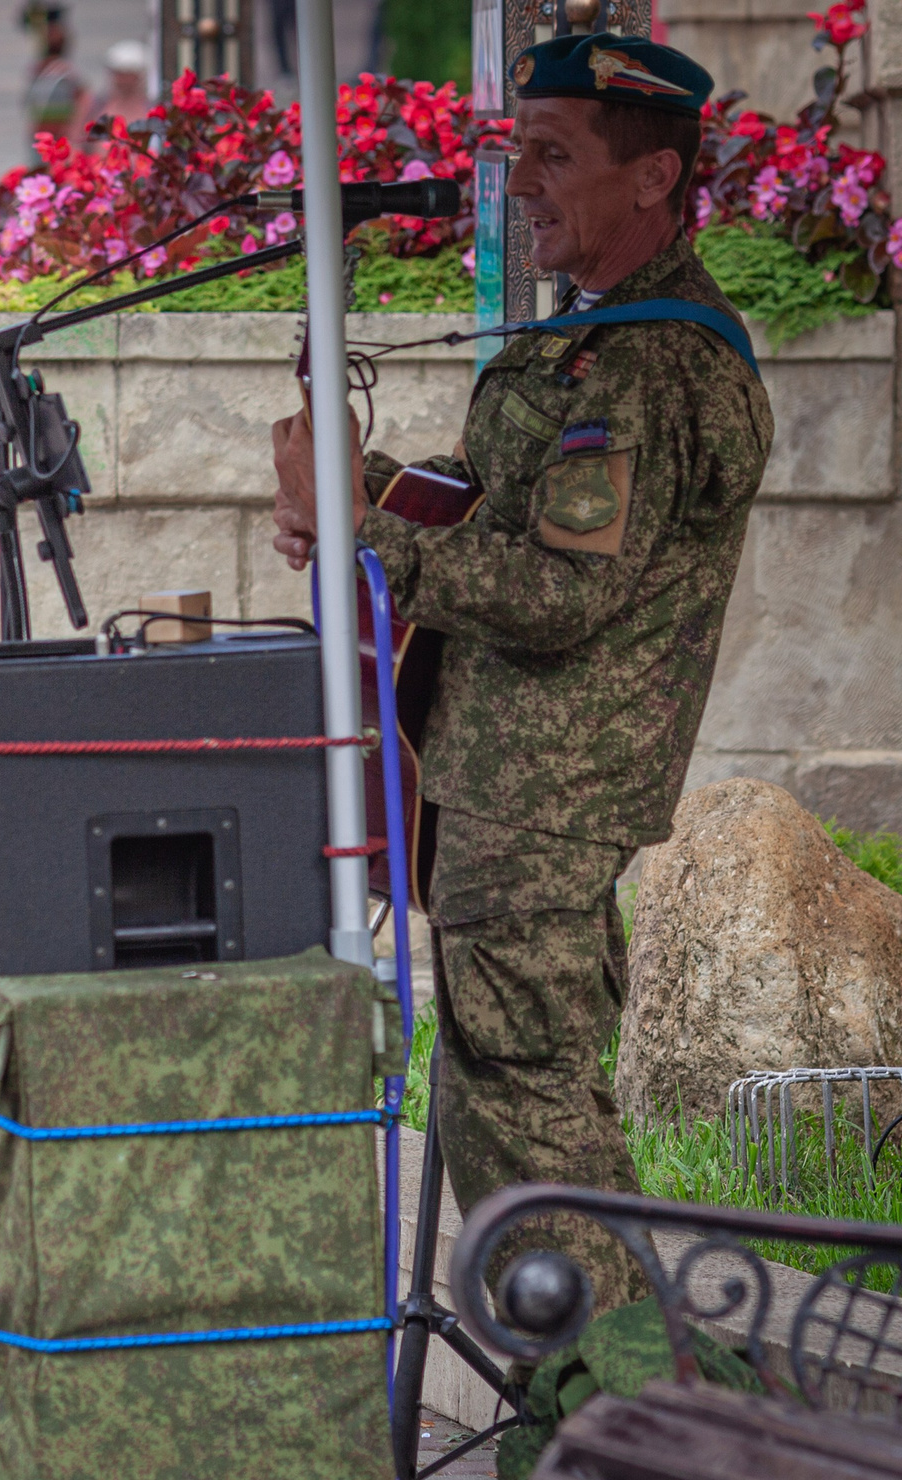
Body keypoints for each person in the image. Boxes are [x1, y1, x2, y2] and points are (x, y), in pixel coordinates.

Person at [268, 35, 774, 1324]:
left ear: (654, 175)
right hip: (505, 783)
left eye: (555, 155)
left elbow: (562, 591)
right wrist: (372, 494)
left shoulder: (655, 366)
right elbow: (511, 518)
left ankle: (612, 1413)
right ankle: (608, 1419)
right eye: (516, 150)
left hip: (545, 795)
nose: (523, 181)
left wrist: (357, 525)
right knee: (515, 1097)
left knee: (528, 1120)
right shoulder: (594, 345)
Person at [21, 2, 85, 149]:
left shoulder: (65, 73)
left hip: (59, 140)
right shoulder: (38, 71)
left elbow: (82, 98)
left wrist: (72, 133)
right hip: (41, 139)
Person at [81, 38, 154, 136]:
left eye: (128, 73)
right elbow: (77, 139)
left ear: (138, 75)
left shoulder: (150, 109)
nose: (123, 79)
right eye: (119, 73)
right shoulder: (96, 106)